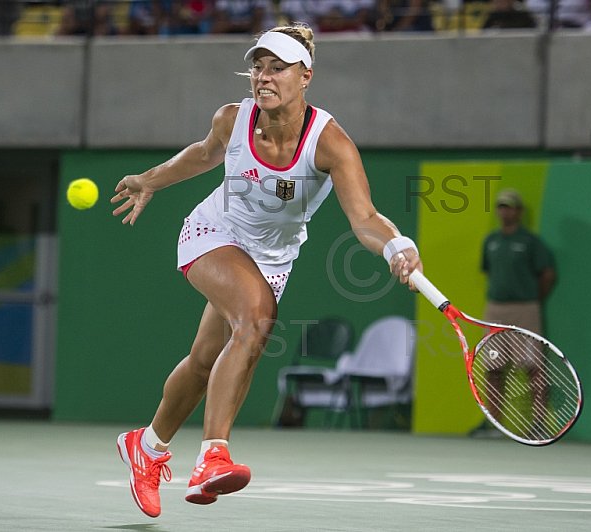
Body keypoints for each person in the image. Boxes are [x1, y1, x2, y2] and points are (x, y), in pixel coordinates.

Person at [111, 23, 423, 517]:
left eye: (278, 67)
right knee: (256, 318)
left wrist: (397, 246)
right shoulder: (232, 118)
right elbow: (203, 155)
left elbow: (364, 217)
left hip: (272, 258)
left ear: (306, 76)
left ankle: (145, 448)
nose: (264, 76)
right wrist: (150, 180)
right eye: (258, 66)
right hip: (214, 235)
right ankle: (213, 456)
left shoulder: (330, 142)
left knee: (202, 364)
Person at [469, 188, 556, 437]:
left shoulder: (531, 242)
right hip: (495, 311)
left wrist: (531, 299)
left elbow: (548, 274)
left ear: (518, 211)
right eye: (501, 206)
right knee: (493, 367)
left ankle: (539, 423)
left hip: (525, 312)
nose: (504, 211)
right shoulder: (491, 240)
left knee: (533, 367)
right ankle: (494, 424)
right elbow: (488, 271)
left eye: (509, 206)